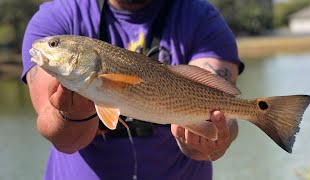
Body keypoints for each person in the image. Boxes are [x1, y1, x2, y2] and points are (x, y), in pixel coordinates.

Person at [21, 0, 243, 179]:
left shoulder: (203, 18)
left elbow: (216, 95)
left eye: (53, 45)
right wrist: (73, 115)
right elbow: (60, 136)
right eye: (54, 45)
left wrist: (214, 136)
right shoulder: (56, 17)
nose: (47, 47)